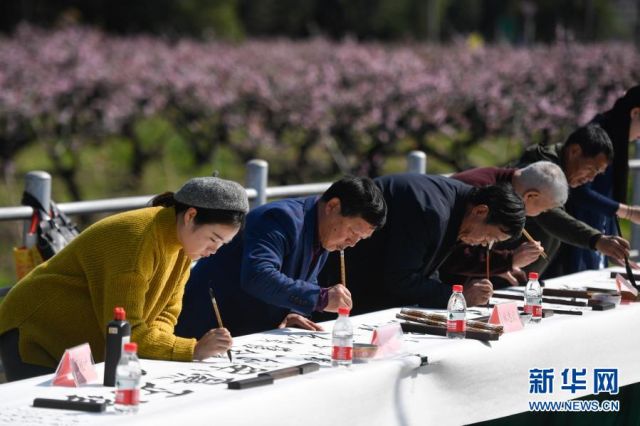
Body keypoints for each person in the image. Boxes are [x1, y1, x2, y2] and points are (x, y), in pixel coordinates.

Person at [0, 176, 249, 382]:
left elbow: (165, 316)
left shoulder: (182, 244)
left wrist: (172, 345)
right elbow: (124, 332)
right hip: (36, 331)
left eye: (223, 244)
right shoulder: (137, 239)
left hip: (77, 342)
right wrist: (191, 350)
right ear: (190, 215)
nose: (215, 250)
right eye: (214, 238)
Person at [175, 176, 387, 338]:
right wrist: (320, 298)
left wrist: (291, 312)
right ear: (332, 206)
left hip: (248, 331)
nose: (352, 243)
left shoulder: (325, 231)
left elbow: (300, 278)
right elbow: (259, 276)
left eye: (360, 238)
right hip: (208, 325)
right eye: (352, 232)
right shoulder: (281, 219)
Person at [321, 174, 526, 314]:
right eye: (489, 237)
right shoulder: (432, 212)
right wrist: (458, 296)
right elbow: (401, 278)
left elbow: (424, 268)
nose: (484, 244)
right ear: (481, 211)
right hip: (336, 270)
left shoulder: (459, 205)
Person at [516, 124, 630, 277]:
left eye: (597, 174)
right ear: (574, 151)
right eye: (591, 169)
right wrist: (597, 240)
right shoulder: (540, 171)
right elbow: (552, 216)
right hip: (503, 271)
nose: (590, 178)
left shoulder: (562, 174)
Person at [443, 161, 568, 286]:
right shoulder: (481, 190)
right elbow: (448, 256)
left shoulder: (499, 181)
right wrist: (509, 260)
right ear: (531, 196)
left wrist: (499, 269)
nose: (540, 214)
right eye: (543, 210)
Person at [566, 86, 640, 272]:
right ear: (636, 112)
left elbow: (607, 196)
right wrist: (630, 212)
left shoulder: (615, 135)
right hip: (576, 238)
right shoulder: (597, 136)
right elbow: (579, 191)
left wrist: (614, 248)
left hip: (597, 238)